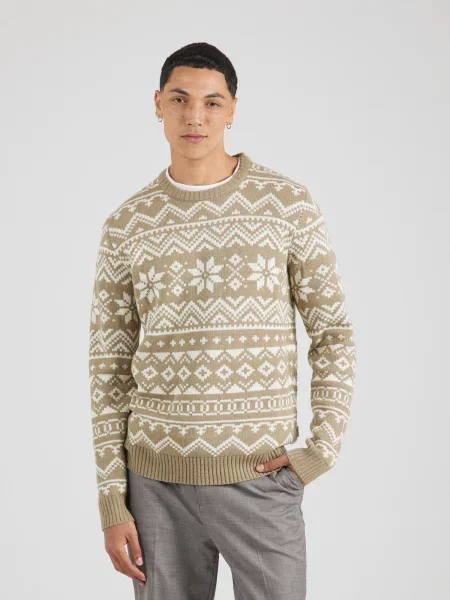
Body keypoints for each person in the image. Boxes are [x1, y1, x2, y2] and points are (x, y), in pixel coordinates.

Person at [89, 41, 356, 600]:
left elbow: (332, 332)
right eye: (180, 99)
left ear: (232, 109)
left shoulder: (286, 204)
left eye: (212, 102)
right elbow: (109, 368)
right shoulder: (127, 224)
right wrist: (113, 498)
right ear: (158, 104)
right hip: (154, 486)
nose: (195, 116)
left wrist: (320, 450)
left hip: (260, 478)